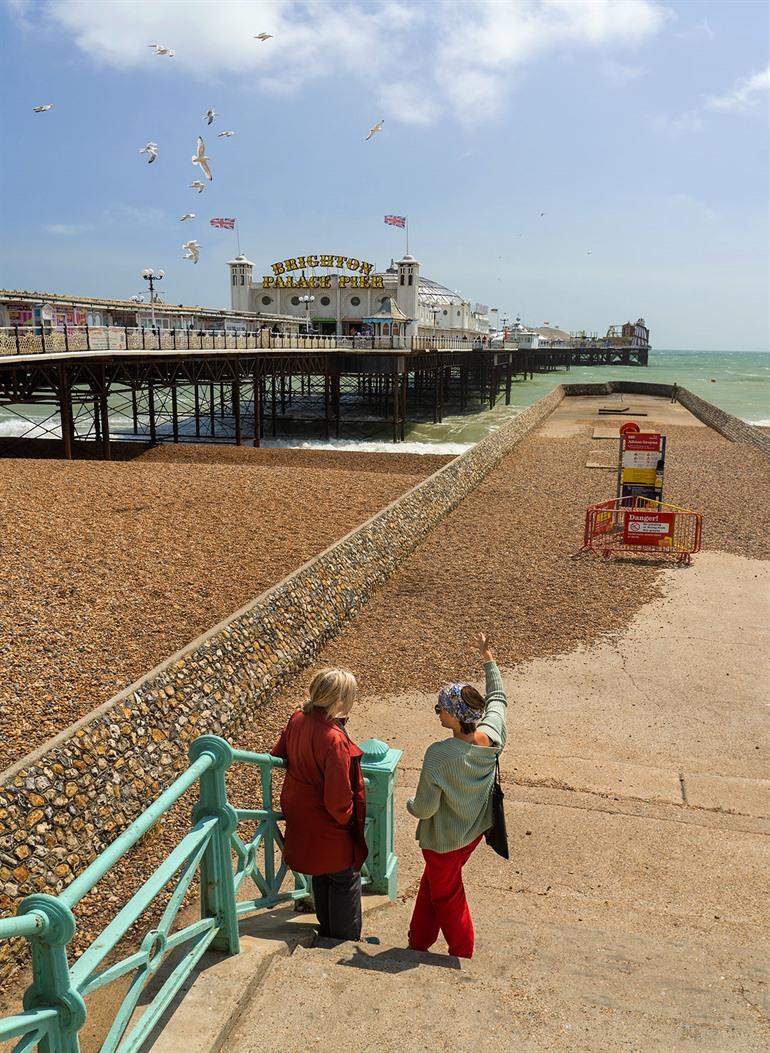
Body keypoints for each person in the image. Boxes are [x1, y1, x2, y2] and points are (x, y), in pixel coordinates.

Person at [407, 632, 507, 959]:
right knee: (432, 886)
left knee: (447, 896)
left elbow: (425, 808)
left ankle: (462, 953)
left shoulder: (439, 755)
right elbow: (498, 699)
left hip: (444, 842)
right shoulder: (491, 736)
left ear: (453, 715)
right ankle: (418, 943)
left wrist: (410, 805)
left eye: (441, 708)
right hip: (473, 833)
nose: (438, 712)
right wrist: (488, 657)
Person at [271, 668, 367, 942]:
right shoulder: (334, 738)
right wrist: (349, 818)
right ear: (340, 700)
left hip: (301, 815)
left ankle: (327, 932)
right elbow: (338, 799)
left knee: (324, 876)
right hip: (328, 823)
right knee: (345, 878)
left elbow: (278, 753)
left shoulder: (298, 718)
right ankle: (342, 940)